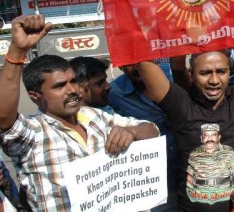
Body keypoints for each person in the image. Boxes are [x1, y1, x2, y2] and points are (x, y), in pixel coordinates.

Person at [0, 14, 160, 212]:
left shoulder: (94, 116)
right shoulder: (32, 134)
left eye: (73, 81)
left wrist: (133, 133)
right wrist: (17, 51)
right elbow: (4, 118)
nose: (72, 90)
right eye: (60, 86)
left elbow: (152, 130)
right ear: (35, 96)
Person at [136, 45, 234, 212]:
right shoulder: (181, 105)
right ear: (191, 73)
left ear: (229, 71)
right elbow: (142, 61)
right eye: (205, 73)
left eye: (221, 71)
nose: (214, 80)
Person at [108, 63, 178, 211]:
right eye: (129, 64)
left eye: (141, 60)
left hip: (188, 179)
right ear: (120, 67)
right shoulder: (115, 93)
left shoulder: (173, 75)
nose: (137, 67)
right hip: (156, 187)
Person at [186, 123, 234, 203]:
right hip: (199, 196)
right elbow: (190, 176)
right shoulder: (194, 154)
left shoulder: (229, 152)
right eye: (206, 135)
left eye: (213, 135)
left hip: (225, 196)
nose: (210, 138)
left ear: (219, 137)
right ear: (201, 138)